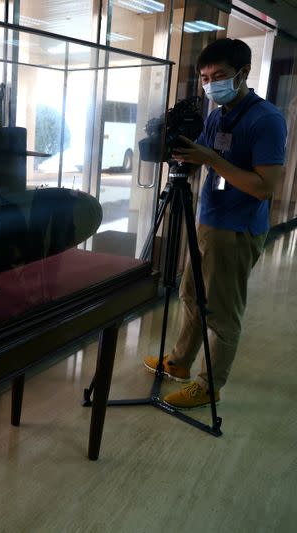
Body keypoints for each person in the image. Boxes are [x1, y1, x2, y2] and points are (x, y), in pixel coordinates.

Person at [142, 38, 287, 408]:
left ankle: (210, 385)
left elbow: (265, 187)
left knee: (221, 312)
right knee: (191, 296)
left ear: (243, 73)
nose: (211, 84)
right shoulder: (216, 114)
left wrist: (210, 157)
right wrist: (179, 154)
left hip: (237, 230)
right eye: (205, 77)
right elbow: (198, 158)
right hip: (207, 219)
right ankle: (179, 362)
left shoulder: (266, 119)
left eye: (219, 76)